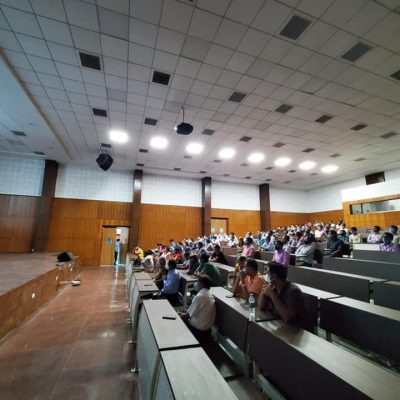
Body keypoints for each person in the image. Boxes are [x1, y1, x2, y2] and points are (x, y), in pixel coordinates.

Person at [258, 261, 313, 332]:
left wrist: (272, 295)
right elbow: (261, 307)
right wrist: (263, 291)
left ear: (274, 276)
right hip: (282, 326)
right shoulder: (273, 287)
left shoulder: (293, 291)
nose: (265, 275)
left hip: (298, 330)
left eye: (267, 273)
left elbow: (288, 317)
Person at [178, 275, 216, 342]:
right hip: (207, 330)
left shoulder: (199, 297)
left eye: (197, 282)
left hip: (198, 331)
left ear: (202, 284)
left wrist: (177, 316)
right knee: (183, 313)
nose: (196, 284)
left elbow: (187, 316)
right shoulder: (209, 294)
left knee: (179, 322)